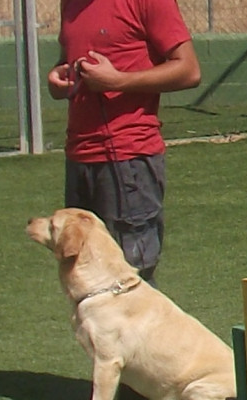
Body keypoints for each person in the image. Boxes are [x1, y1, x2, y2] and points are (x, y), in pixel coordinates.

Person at [47, 0, 201, 286]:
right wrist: (59, 78)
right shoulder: (70, 4)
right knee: (84, 276)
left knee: (131, 281)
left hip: (129, 160)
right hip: (79, 157)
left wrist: (117, 81)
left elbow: (189, 70)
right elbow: (66, 58)